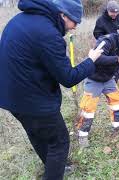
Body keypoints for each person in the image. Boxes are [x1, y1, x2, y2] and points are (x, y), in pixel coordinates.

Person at [0, 0, 103, 179]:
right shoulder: (48, 34)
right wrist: (91, 60)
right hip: (34, 102)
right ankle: (54, 173)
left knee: (36, 134)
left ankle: (54, 168)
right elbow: (68, 78)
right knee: (60, 143)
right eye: (75, 22)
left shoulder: (18, 20)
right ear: (62, 15)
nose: (75, 27)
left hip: (10, 97)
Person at [76, 26, 119, 148]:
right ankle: (82, 135)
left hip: (108, 79)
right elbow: (96, 59)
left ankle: (117, 130)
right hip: (94, 78)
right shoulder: (107, 41)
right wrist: (118, 59)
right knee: (88, 109)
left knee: (116, 103)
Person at [93, 1, 119, 91]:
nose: (114, 14)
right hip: (108, 49)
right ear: (107, 10)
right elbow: (97, 34)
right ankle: (115, 85)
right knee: (115, 65)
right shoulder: (101, 20)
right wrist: (107, 41)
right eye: (112, 12)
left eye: (116, 12)